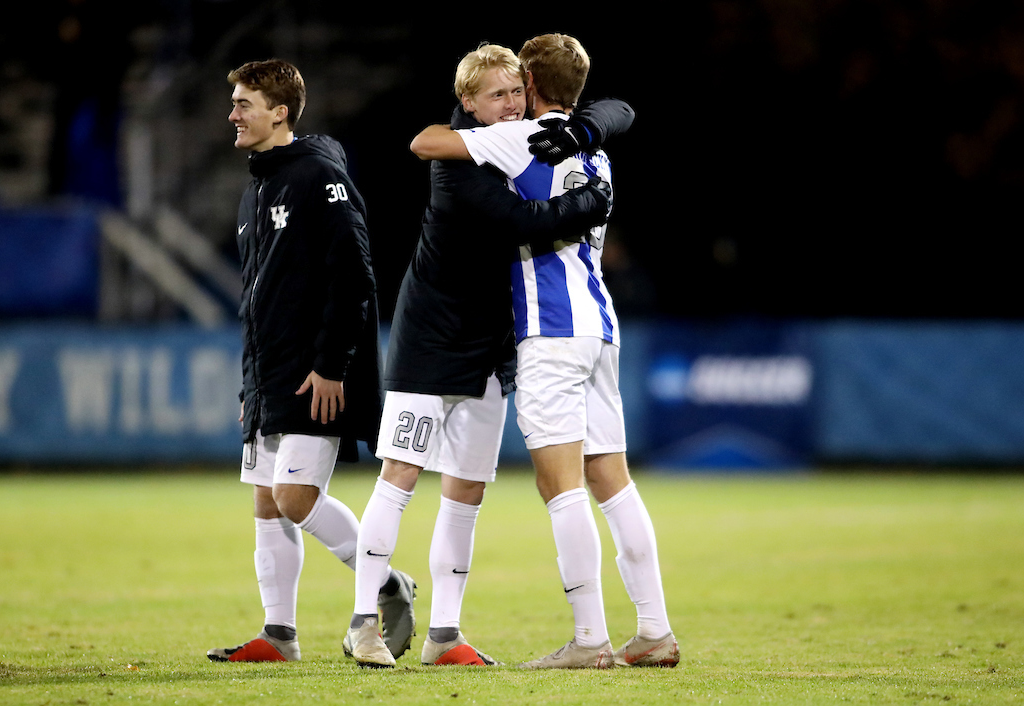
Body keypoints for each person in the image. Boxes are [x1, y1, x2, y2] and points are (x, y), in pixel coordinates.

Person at [345, 43, 624, 668]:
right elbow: (514, 221)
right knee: (400, 477)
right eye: (495, 96)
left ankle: (446, 633)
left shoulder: (523, 140)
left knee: (467, 491)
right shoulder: (460, 156)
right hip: (432, 338)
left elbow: (618, 109)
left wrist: (589, 123)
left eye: (516, 93)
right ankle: (364, 621)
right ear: (468, 103)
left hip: (494, 343)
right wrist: (586, 205)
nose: (510, 106)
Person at [410, 33, 679, 669]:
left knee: (561, 488)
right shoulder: (599, 155)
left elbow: (427, 143)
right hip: (602, 328)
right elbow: (617, 113)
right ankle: (655, 630)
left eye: (516, 86)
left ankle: (589, 641)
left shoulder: (521, 138)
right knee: (612, 481)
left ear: (529, 84)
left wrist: (482, 117)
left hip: (551, 331)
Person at [208, 59, 415, 663]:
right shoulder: (257, 186)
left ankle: (386, 582)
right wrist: (252, 381)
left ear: (280, 112)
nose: (233, 114)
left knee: (295, 498)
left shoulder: (319, 176)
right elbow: (258, 296)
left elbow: (354, 275)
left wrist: (331, 364)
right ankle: (279, 635)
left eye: (244, 103)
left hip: (311, 371)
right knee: (266, 502)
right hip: (269, 373)